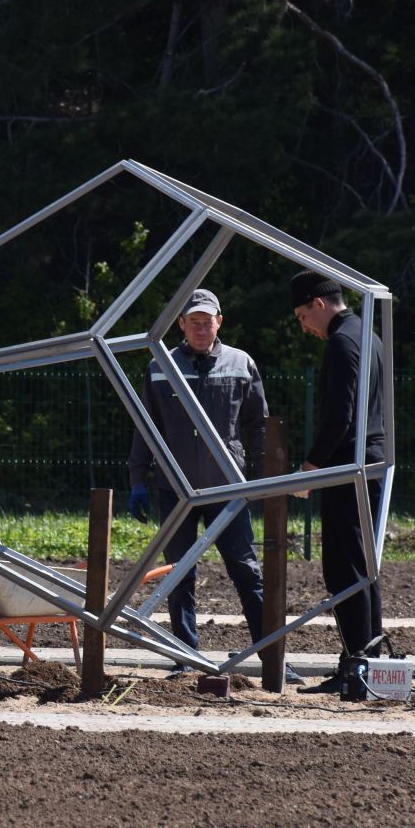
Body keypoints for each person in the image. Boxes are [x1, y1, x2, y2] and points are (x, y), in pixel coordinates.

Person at [127, 288, 293, 679]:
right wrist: (138, 478)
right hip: (176, 488)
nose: (201, 328)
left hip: (228, 489)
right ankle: (186, 657)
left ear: (220, 321)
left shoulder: (241, 363)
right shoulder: (160, 365)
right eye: (194, 322)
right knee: (179, 574)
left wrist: (263, 478)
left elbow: (257, 425)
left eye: (208, 321)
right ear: (181, 324)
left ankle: (273, 657)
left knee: (247, 571)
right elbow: (144, 427)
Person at [288, 271, 386, 695]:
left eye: (301, 315)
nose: (303, 326)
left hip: (351, 466)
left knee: (343, 568)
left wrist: (311, 467)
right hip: (370, 462)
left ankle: (358, 671)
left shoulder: (344, 342)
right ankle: (367, 663)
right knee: (364, 568)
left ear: (319, 303)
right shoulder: (370, 335)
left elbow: (340, 417)